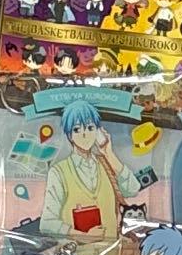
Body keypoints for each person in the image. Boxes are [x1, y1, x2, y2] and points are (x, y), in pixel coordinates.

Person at [40, 99, 142, 240]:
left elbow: (133, 189)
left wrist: (109, 153)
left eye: (90, 128)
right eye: (77, 129)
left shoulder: (106, 163)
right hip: (75, 252)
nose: (84, 134)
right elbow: (46, 223)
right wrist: (82, 235)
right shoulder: (58, 172)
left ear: (98, 131)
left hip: (111, 251)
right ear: (69, 135)